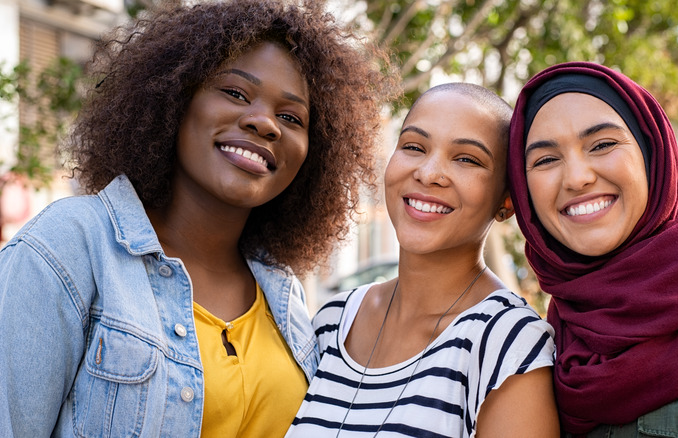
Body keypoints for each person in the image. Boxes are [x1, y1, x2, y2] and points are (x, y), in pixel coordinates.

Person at [0, 0, 398, 436]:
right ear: (173, 98)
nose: (265, 123)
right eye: (235, 93)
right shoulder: (70, 247)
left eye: (290, 117)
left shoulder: (283, 294)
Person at [507, 61, 678, 437]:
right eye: (546, 160)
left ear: (653, 155)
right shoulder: (533, 349)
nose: (577, 177)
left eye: (602, 144)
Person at [285, 83, 559, 438]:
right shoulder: (333, 321)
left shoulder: (509, 342)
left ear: (507, 201)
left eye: (466, 159)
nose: (428, 173)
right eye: (413, 147)